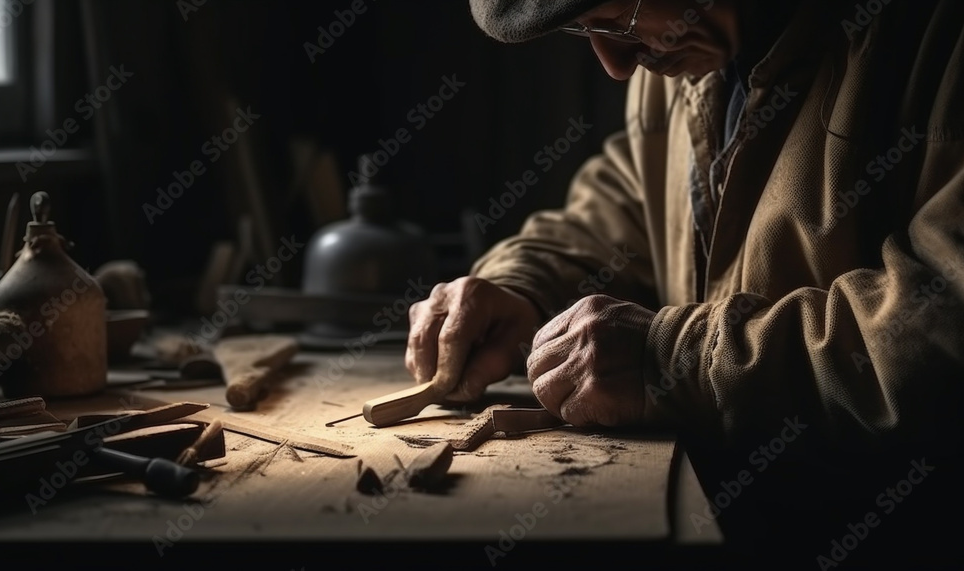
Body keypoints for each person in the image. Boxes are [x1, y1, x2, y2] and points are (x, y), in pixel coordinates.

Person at [406, 0, 964, 567]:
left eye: (620, 16)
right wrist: (524, 284)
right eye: (585, 26)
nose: (615, 63)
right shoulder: (674, 47)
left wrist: (676, 361)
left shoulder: (936, 35)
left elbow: (947, 326)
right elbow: (633, 198)